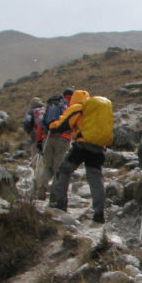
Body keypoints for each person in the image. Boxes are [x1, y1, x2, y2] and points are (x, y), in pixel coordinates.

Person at [49, 89, 107, 223]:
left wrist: (53, 125)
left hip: (82, 146)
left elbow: (64, 124)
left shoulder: (77, 107)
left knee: (64, 170)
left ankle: (60, 204)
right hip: (99, 147)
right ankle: (99, 213)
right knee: (95, 178)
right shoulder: (96, 110)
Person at [35, 88, 73, 200]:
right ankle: (54, 195)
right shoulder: (68, 106)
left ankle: (42, 188)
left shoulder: (50, 108)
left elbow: (40, 126)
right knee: (58, 168)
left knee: (47, 166)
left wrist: (39, 141)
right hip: (63, 139)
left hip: (47, 138)